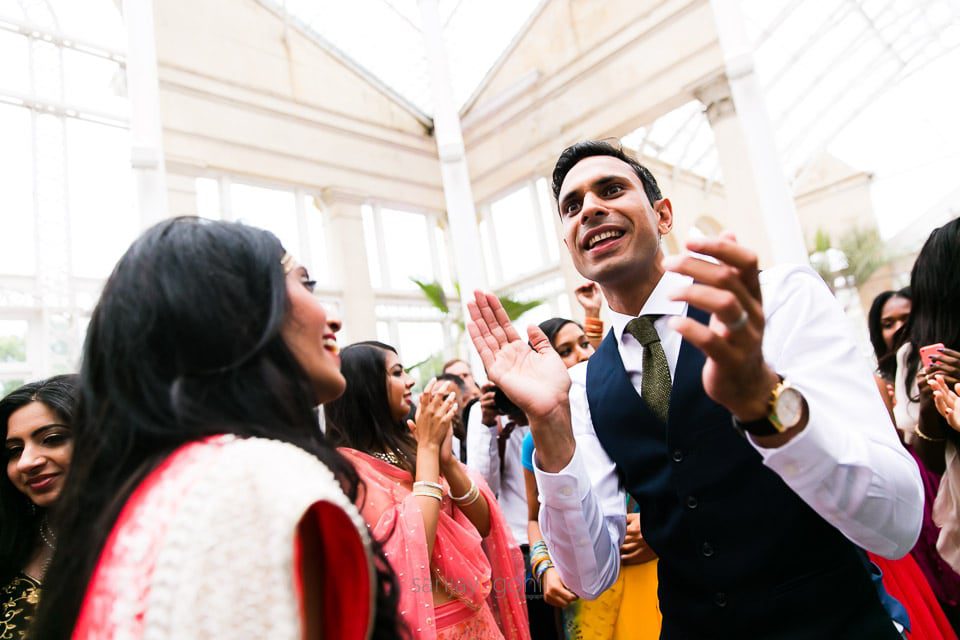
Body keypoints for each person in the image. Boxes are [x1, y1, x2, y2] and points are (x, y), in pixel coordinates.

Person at [466, 140, 923, 638]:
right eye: (572, 206)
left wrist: (765, 403)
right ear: (572, 249)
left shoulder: (778, 300)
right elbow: (589, 576)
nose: (590, 209)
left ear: (663, 216)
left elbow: (897, 523)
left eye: (611, 189)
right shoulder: (579, 387)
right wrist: (550, 426)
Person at [30, 218, 400, 639]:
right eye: (304, 283)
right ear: (235, 315)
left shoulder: (146, 492)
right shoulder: (255, 480)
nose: (332, 319)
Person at [325, 342, 529, 640]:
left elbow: (485, 524)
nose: (410, 381)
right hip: (431, 628)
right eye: (396, 373)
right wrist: (430, 450)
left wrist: (444, 460)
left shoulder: (412, 445)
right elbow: (416, 545)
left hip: (477, 617)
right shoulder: (349, 470)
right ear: (365, 388)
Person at [521, 318, 661, 639]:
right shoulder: (537, 440)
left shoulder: (628, 410)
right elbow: (533, 517)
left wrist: (656, 526)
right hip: (587, 581)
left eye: (585, 344)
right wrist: (546, 568)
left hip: (652, 568)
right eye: (565, 351)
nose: (582, 356)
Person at [1, 375, 78, 640]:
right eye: (14, 450)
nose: (26, 462)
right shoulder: (11, 539)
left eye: (52, 438)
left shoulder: (146, 542)